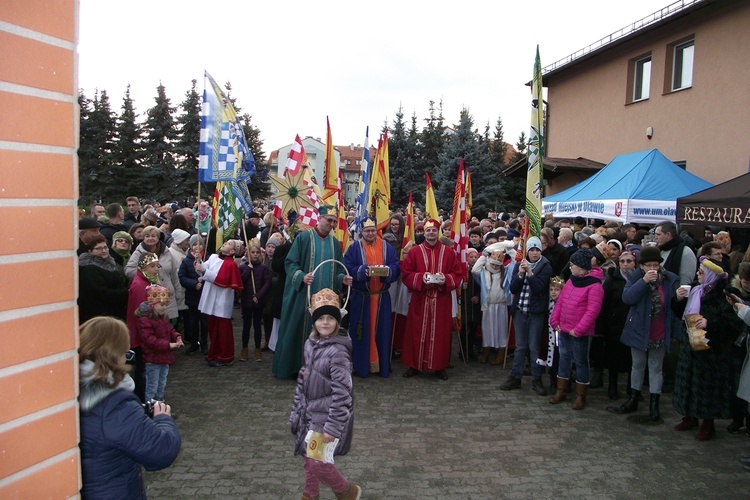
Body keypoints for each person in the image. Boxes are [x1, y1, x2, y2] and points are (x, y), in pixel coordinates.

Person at [79, 316, 181, 498]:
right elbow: (162, 451)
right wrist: (163, 419)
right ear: (115, 354)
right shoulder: (114, 406)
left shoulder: (69, 391)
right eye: (126, 353)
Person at [289, 288, 360, 500]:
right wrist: (296, 411)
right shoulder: (309, 345)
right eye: (321, 318)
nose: (326, 323)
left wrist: (333, 426)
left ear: (337, 322)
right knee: (307, 456)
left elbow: (343, 393)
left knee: (316, 460)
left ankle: (346, 490)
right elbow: (302, 381)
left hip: (326, 416)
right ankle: (310, 494)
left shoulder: (338, 352)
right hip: (309, 413)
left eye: (331, 318)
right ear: (314, 321)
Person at [274, 206, 352, 379]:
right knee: (299, 328)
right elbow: (290, 263)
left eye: (334, 221)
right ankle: (295, 367)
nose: (331, 224)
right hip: (303, 296)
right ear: (319, 218)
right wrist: (301, 276)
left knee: (324, 331)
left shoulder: (334, 243)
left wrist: (342, 279)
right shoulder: (304, 238)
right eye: (328, 220)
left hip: (325, 298)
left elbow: (338, 268)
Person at [671, 256, 744, 440]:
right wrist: (678, 300)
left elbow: (733, 325)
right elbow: (681, 313)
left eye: (701, 272)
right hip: (691, 347)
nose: (698, 274)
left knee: (706, 389)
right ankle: (689, 416)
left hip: (712, 353)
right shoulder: (696, 290)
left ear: (712, 275)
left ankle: (708, 423)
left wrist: (710, 324)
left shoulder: (724, 296)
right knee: (687, 383)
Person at [616, 245, 680, 420]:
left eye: (655, 265)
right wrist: (643, 281)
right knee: (637, 365)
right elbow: (628, 299)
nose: (652, 268)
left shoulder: (668, 280)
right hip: (639, 329)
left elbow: (673, 309)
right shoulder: (635, 278)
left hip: (659, 330)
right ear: (642, 266)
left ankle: (654, 404)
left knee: (655, 367)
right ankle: (634, 398)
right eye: (649, 265)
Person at [400, 218, 463, 381]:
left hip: (441, 299)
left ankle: (439, 366)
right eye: (427, 230)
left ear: (438, 232)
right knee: (416, 332)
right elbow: (406, 273)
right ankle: (414, 365)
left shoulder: (449, 252)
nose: (430, 233)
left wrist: (446, 279)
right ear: (424, 233)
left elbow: (458, 273)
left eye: (433, 230)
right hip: (420, 299)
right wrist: (421, 277)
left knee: (441, 334)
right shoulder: (414, 252)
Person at [344, 216, 400, 378]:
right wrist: (362, 271)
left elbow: (396, 266)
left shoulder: (386, 247)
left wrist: (387, 271)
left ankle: (380, 366)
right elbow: (347, 267)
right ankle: (361, 366)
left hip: (381, 298)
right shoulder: (354, 248)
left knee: (382, 332)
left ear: (377, 231)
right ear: (361, 232)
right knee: (360, 332)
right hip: (362, 298)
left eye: (373, 230)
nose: (370, 233)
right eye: (367, 231)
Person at [548, 248, 604, 410]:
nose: (570, 267)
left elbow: (592, 311)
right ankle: (561, 390)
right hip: (564, 328)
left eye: (573, 264)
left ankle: (581, 395)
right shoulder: (572, 280)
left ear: (581, 266)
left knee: (581, 361)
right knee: (564, 358)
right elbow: (561, 302)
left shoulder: (594, 286)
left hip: (580, 331)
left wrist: (579, 329)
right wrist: (555, 320)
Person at [501, 236, 553, 395]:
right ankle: (515, 377)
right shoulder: (519, 264)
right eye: (532, 250)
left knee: (534, 347)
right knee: (520, 346)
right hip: (520, 311)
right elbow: (514, 289)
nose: (535, 253)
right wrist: (521, 274)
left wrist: (530, 273)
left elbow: (538, 288)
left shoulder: (546, 266)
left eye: (537, 250)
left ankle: (536, 378)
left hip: (535, 312)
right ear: (527, 251)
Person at [197, 239, 244, 367]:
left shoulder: (230, 264)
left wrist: (204, 271)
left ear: (233, 251)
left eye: (229, 244)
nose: (224, 244)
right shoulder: (213, 257)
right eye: (226, 242)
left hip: (221, 300)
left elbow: (222, 280)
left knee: (222, 331)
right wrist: (198, 261)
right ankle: (214, 353)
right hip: (210, 296)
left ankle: (225, 357)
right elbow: (203, 268)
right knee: (212, 328)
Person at [598, 248, 636, 400]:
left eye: (629, 261)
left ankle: (631, 387)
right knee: (613, 357)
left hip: (633, 324)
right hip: (615, 323)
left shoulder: (640, 278)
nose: (625, 265)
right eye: (622, 261)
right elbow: (605, 302)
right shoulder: (612, 279)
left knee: (632, 358)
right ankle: (612, 386)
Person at [125, 226, 182, 326]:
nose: (150, 238)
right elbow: (129, 270)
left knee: (170, 326)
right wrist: (146, 272)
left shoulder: (167, 252)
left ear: (158, 237)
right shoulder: (139, 252)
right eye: (147, 236)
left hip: (168, 295)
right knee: (154, 327)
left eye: (153, 236)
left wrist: (178, 291)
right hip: (150, 297)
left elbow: (173, 274)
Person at [136, 285, 184, 402]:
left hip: (164, 357)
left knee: (162, 383)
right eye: (162, 305)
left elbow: (170, 330)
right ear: (153, 305)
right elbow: (149, 340)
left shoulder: (163, 317)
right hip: (153, 358)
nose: (164, 308)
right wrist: (168, 345)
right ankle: (151, 407)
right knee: (152, 385)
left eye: (165, 305)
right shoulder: (145, 321)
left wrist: (177, 336)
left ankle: (160, 404)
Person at [472, 241, 514, 365]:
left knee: (501, 330)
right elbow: (474, 270)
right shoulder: (484, 272)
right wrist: (484, 255)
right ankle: (485, 353)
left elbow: (514, 265)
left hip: (501, 306)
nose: (495, 267)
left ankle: (501, 354)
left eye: (497, 265)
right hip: (488, 306)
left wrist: (510, 251)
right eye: (493, 264)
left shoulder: (505, 271)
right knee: (487, 330)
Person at [78, 234, 128, 323]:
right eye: (99, 248)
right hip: (101, 315)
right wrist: (125, 293)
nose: (104, 250)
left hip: (114, 311)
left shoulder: (110, 262)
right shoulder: (90, 268)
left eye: (105, 247)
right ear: (90, 251)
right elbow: (100, 292)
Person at [239, 240, 271, 362]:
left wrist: (259, 295)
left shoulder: (264, 268)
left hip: (258, 302)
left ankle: (257, 349)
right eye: (253, 252)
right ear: (248, 254)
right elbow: (240, 282)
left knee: (257, 326)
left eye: (257, 252)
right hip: (246, 301)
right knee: (246, 327)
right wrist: (248, 269)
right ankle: (244, 349)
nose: (255, 254)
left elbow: (267, 284)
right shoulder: (243, 267)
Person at [179, 234, 208, 355]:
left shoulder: (207, 259)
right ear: (190, 247)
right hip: (192, 296)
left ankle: (204, 343)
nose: (197, 247)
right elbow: (182, 277)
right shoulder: (186, 261)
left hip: (205, 296)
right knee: (193, 322)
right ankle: (194, 343)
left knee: (204, 322)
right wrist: (193, 283)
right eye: (195, 244)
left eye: (200, 244)